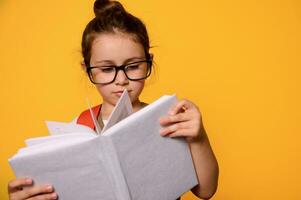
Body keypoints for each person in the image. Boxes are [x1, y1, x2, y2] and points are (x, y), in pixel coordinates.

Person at [7, 0, 219, 199]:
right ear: (87, 69)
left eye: (133, 66)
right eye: (107, 69)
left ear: (148, 62)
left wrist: (198, 138)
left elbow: (206, 190)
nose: (121, 80)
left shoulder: (169, 119)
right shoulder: (77, 130)